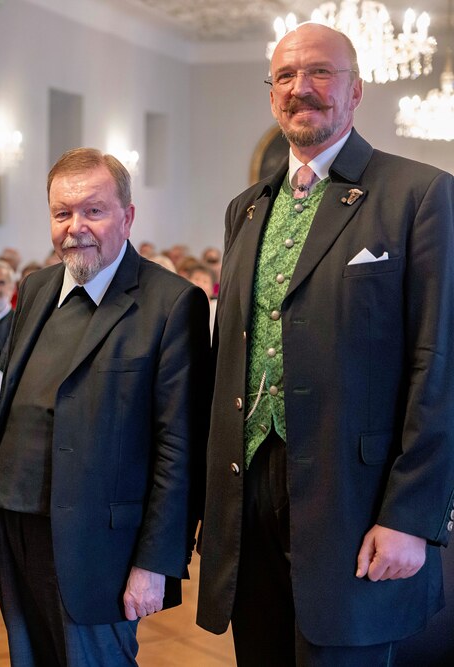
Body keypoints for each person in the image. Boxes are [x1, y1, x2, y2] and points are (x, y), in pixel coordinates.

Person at [196, 23, 454, 666]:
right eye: (285, 75)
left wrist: (410, 516)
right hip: (249, 494)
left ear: (356, 90)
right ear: (271, 94)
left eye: (319, 73)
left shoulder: (419, 193)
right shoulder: (246, 208)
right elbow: (230, 356)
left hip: (356, 499)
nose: (300, 88)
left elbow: (439, 364)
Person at [0, 148, 212, 666]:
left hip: (100, 547)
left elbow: (180, 448)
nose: (75, 227)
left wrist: (156, 561)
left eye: (93, 211)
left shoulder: (170, 303)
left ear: (127, 216)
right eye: (62, 213)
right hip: (14, 525)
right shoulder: (36, 289)